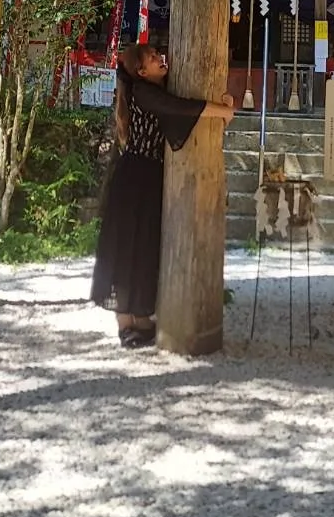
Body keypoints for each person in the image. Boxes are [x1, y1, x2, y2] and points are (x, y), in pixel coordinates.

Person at [91, 42, 234, 347]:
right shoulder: (143, 92)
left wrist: (222, 105)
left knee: (145, 246)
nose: (160, 59)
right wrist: (221, 111)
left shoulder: (155, 90)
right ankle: (125, 321)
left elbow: (182, 104)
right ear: (141, 71)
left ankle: (141, 317)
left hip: (149, 176)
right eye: (153, 58)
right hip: (134, 177)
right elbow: (181, 108)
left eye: (158, 55)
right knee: (128, 248)